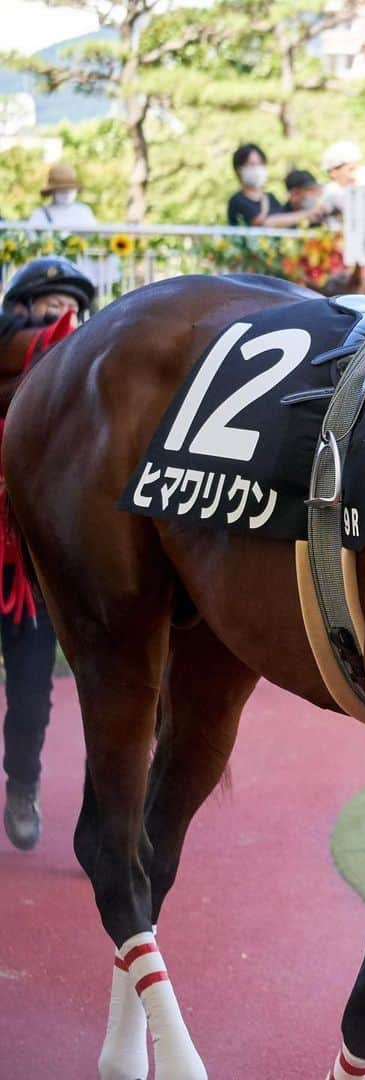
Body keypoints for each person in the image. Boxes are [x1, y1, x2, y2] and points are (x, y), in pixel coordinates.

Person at [0, 257, 96, 851]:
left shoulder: (79, 388)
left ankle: (22, 786)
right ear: (23, 306)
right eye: (52, 303)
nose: (66, 314)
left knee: (33, 692)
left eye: (73, 307)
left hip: (29, 571)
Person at [226, 144, 286, 226]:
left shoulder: (271, 198)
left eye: (260, 163)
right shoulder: (237, 201)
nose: (257, 169)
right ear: (239, 169)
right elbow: (260, 223)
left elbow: (285, 218)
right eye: (252, 164)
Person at [27, 162, 97, 230]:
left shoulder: (84, 211)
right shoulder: (39, 215)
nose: (67, 193)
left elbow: (95, 235)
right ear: (53, 191)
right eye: (62, 190)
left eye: (70, 189)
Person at [321, 140, 364, 227]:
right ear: (334, 171)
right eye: (351, 169)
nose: (354, 176)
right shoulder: (332, 191)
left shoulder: (351, 191)